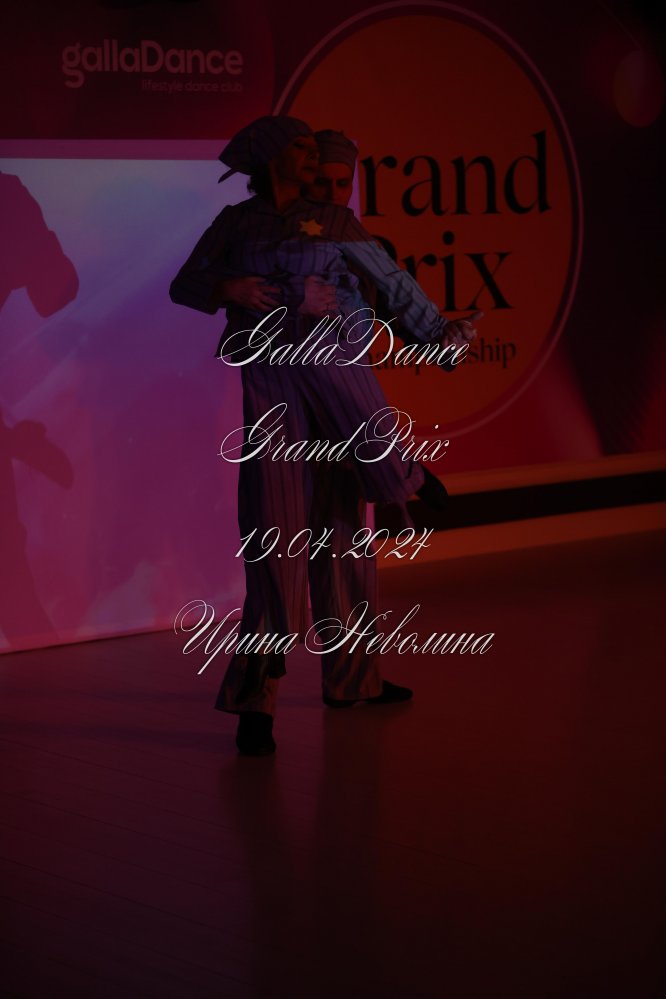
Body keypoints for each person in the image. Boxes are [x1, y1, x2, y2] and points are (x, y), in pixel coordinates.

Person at [170, 116, 479, 756]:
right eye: (303, 149)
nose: (316, 162)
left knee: (344, 542)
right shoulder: (236, 224)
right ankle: (256, 701)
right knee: (273, 547)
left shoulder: (336, 223)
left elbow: (393, 285)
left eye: (323, 155)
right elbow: (187, 283)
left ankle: (354, 678)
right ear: (271, 159)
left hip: (336, 389)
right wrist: (230, 286)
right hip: (273, 389)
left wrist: (442, 337)